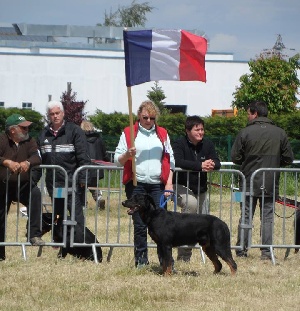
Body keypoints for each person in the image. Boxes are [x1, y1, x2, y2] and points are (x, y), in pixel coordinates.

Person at [114, 100, 175, 268]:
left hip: (157, 185)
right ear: (139, 116)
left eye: (152, 118)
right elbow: (117, 161)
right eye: (145, 117)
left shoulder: (162, 134)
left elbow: (171, 160)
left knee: (162, 226)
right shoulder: (129, 133)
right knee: (140, 224)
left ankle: (166, 261)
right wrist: (127, 154)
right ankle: (141, 260)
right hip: (137, 184)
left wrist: (169, 183)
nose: (148, 121)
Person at [231, 100, 294, 260]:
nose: (247, 117)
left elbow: (235, 157)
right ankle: (266, 252)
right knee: (267, 217)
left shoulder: (245, 132)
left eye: (248, 113)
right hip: (270, 181)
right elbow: (288, 158)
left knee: (245, 215)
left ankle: (241, 250)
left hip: (247, 181)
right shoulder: (280, 133)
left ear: (255, 113)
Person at [35, 101, 91, 244]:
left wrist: (83, 179)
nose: (55, 116)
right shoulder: (43, 135)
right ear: (48, 116)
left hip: (72, 183)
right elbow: (39, 161)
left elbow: (83, 157)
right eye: (52, 114)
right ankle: (60, 243)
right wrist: (32, 180)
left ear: (63, 113)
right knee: (58, 214)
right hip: (55, 185)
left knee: (76, 214)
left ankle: (79, 244)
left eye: (57, 113)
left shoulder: (74, 131)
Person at [172, 115, 221, 262]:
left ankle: (212, 254)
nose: (201, 132)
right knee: (190, 208)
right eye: (197, 129)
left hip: (200, 188)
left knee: (203, 224)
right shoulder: (179, 143)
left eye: (202, 129)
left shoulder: (208, 144)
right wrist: (200, 166)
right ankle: (184, 257)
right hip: (180, 186)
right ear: (187, 131)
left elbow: (217, 162)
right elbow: (178, 161)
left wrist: (212, 165)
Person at [0, 114, 44, 260]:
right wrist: (7, 162)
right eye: (23, 127)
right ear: (13, 130)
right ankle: (1, 254)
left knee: (36, 195)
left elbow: (37, 157)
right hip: (2, 186)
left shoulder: (30, 140)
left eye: (27, 127)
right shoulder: (2, 139)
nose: (27, 129)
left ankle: (34, 235)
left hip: (23, 185)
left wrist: (28, 163)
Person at [80, 120, 110, 209]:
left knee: (81, 186)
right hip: (96, 168)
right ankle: (99, 198)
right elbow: (104, 152)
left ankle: (83, 204)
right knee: (94, 186)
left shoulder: (80, 138)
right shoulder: (98, 138)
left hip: (84, 167)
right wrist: (108, 162)